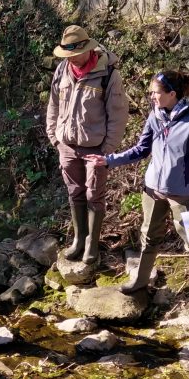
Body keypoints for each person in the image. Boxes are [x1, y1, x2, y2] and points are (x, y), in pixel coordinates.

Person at [85, 70, 189, 315]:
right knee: (148, 237)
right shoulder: (154, 116)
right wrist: (108, 160)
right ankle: (140, 281)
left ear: (172, 94)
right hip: (153, 190)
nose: (152, 97)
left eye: (156, 92)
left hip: (184, 194)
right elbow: (141, 149)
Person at [45, 24, 128, 264]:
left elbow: (118, 114)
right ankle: (79, 239)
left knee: (94, 195)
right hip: (67, 145)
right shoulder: (62, 70)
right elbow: (53, 104)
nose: (70, 59)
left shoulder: (109, 74)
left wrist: (107, 149)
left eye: (73, 55)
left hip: (95, 148)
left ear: (87, 50)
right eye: (66, 55)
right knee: (75, 192)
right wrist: (54, 136)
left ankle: (92, 243)